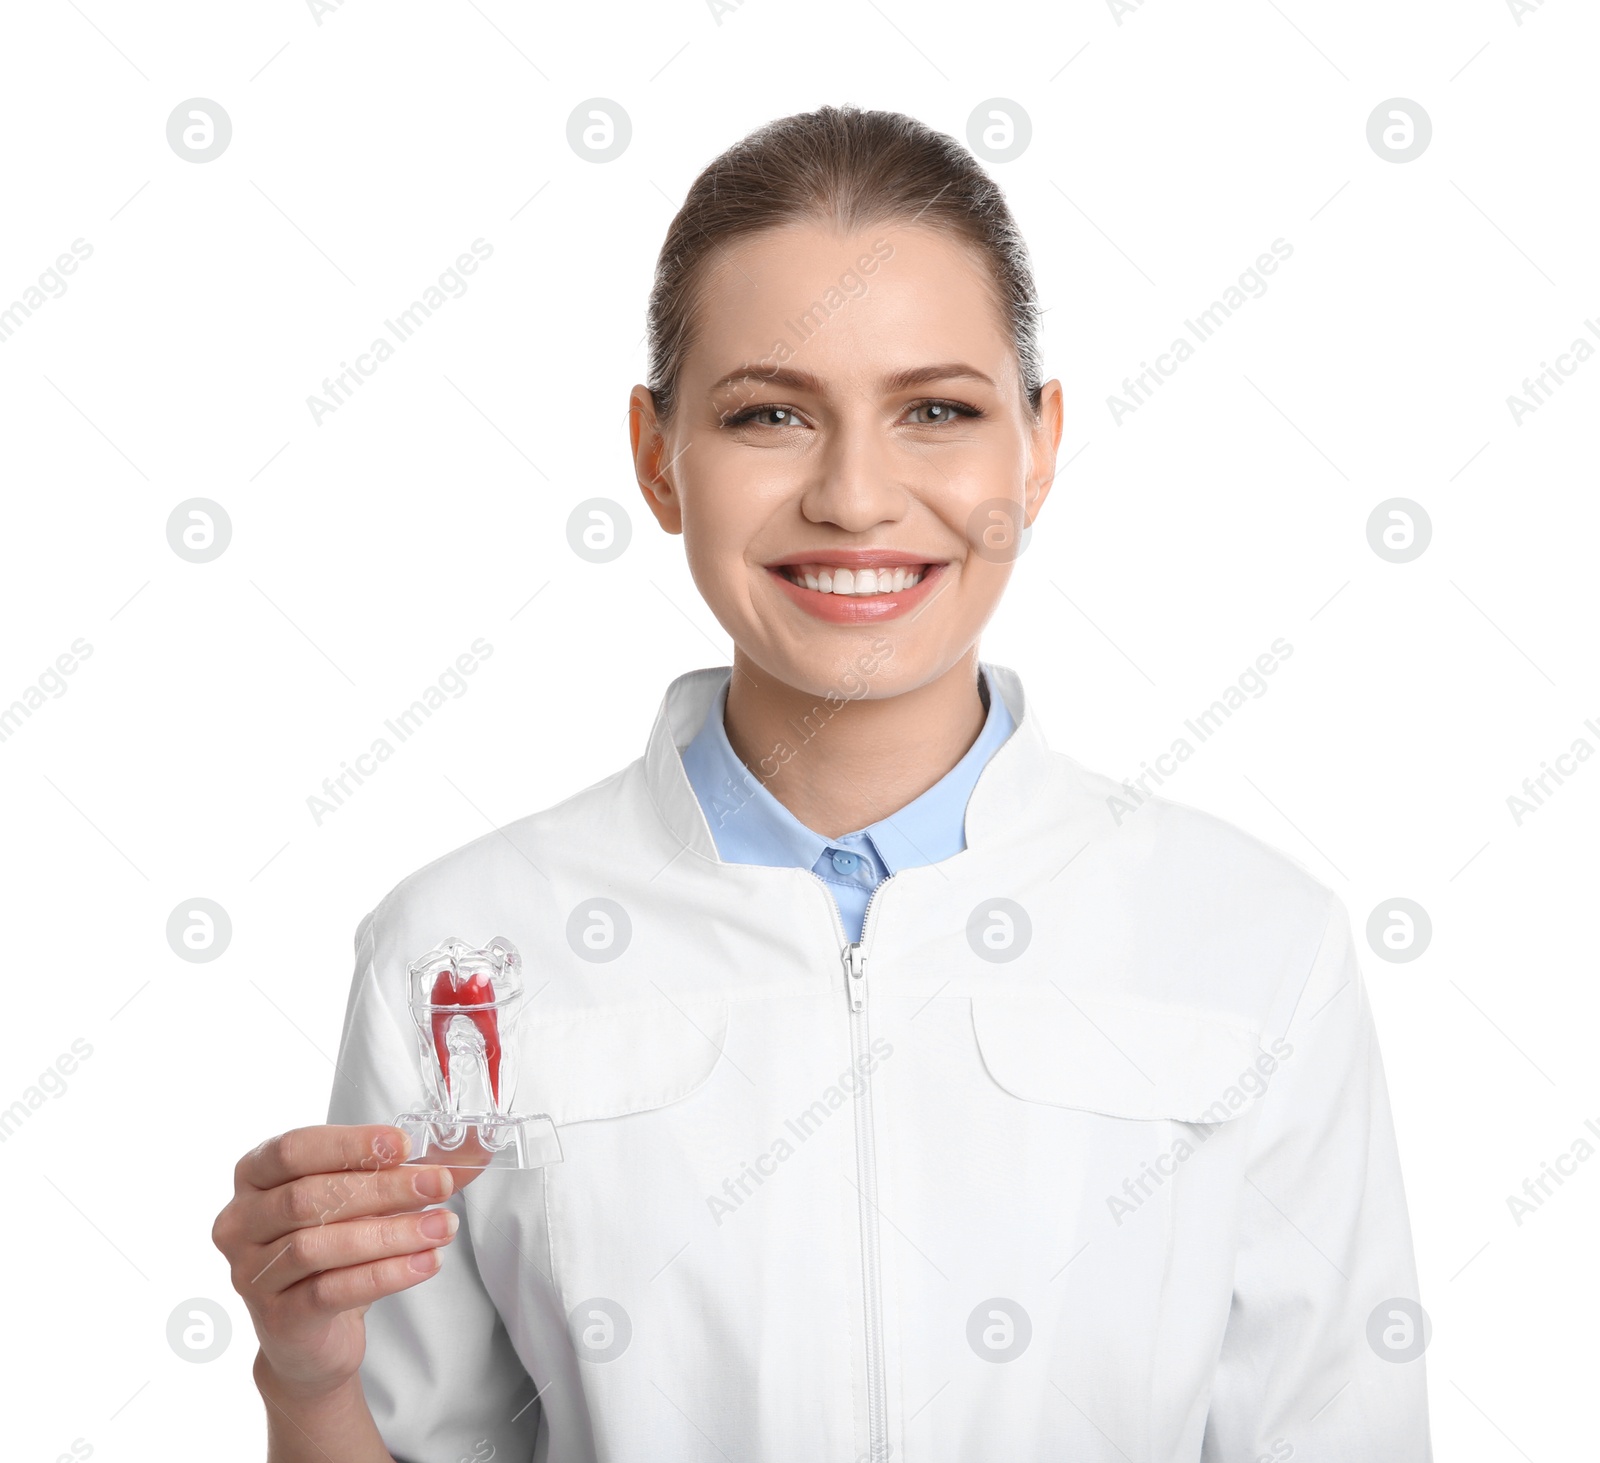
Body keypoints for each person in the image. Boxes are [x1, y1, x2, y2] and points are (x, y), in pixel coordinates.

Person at [212, 105, 1432, 1462]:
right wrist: (309, 1384)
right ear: (657, 458)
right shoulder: (461, 958)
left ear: (1037, 450)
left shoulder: (1255, 945)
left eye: (937, 411)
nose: (855, 496)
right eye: (771, 413)